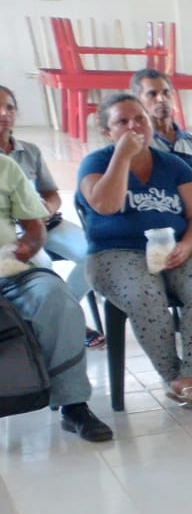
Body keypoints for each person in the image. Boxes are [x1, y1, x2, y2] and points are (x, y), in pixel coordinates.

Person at [77, 94, 192, 410]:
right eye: (122, 122)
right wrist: (122, 157)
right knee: (145, 294)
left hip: (175, 248)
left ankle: (191, 375)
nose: (134, 127)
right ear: (107, 131)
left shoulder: (173, 165)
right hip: (114, 253)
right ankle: (176, 379)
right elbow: (105, 205)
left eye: (139, 119)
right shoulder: (96, 163)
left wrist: (187, 245)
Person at [0, 154, 112, 441]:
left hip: (9, 269)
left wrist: (27, 247)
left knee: (56, 298)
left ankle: (73, 405)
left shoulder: (5, 166)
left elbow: (34, 227)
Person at [0, 84, 93, 331]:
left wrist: (47, 209)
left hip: (45, 223)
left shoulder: (30, 151)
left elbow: (51, 193)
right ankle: (57, 322)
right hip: (15, 233)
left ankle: (65, 316)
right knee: (41, 269)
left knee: (93, 255)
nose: (4, 113)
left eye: (9, 108)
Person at [131, 68, 192, 170]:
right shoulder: (136, 145)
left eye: (166, 92)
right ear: (138, 101)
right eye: (152, 94)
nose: (162, 99)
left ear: (173, 95)